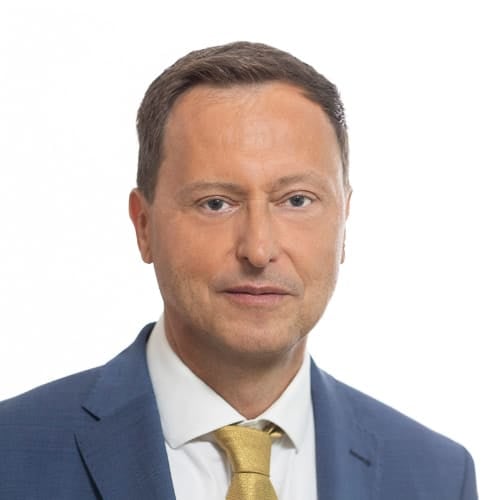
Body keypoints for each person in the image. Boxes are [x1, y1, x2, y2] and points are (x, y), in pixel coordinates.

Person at [0, 41, 477, 499]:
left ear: (344, 221)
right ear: (144, 226)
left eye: (297, 200)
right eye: (215, 203)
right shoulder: (12, 454)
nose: (258, 249)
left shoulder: (436, 477)